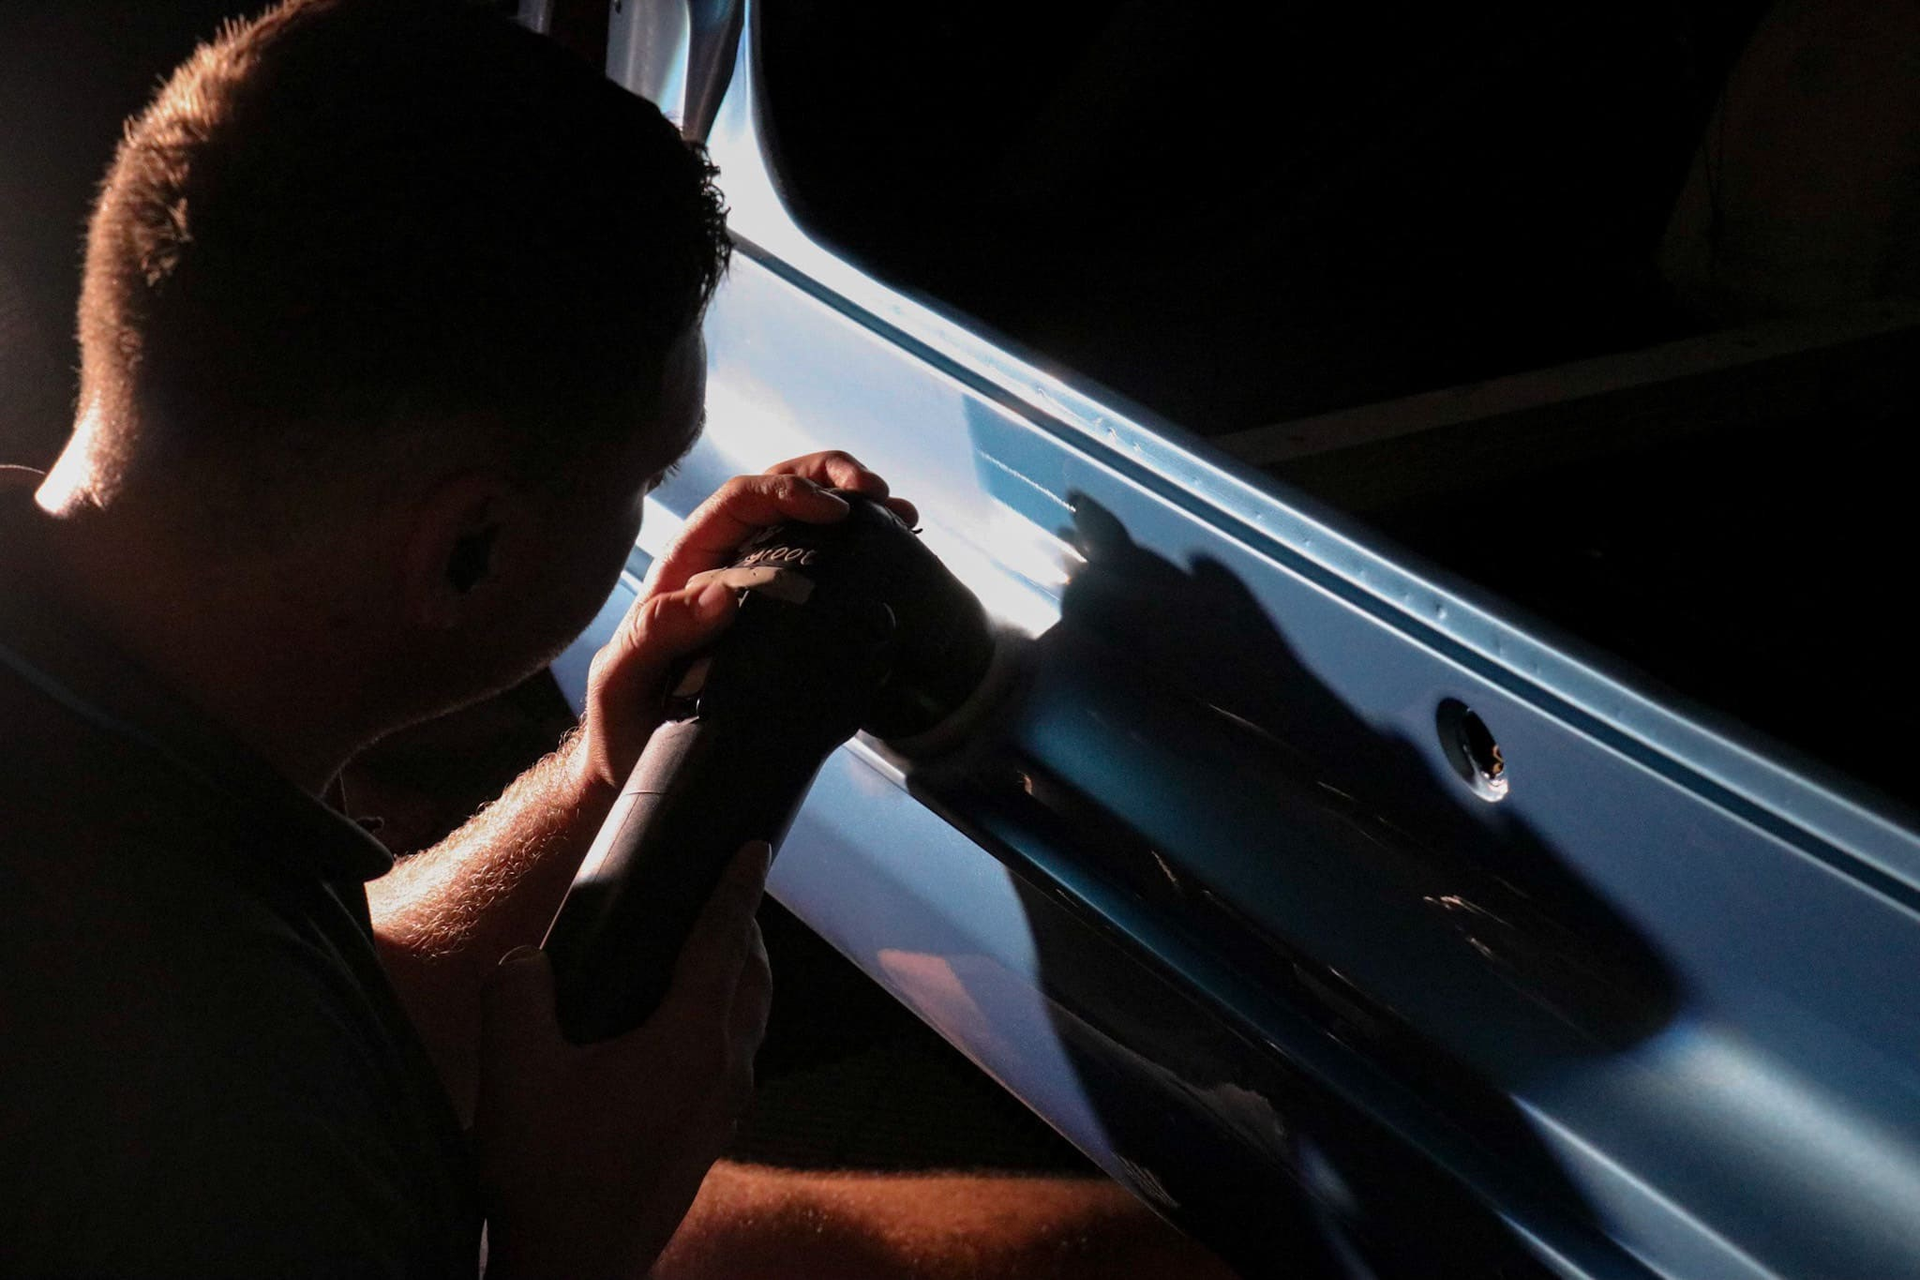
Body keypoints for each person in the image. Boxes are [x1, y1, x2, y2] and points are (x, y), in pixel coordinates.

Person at [0, 2, 1238, 1276]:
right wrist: (573, 1231)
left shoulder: (104, 723)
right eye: (643, 477)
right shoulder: (219, 1163)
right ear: (468, 546)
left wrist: (597, 771)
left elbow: (314, 997)